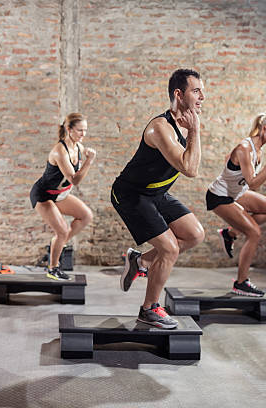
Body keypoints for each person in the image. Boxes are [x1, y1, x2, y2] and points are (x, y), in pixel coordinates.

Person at [111, 68, 206, 329]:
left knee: (195, 235)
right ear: (179, 94)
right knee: (170, 248)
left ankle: (139, 261)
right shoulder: (159, 128)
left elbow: (192, 166)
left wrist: (193, 130)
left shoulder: (185, 125)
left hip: (156, 193)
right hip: (130, 194)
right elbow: (190, 169)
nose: (202, 97)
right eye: (196, 91)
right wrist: (196, 131)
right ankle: (149, 309)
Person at [206, 111, 266, 296]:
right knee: (254, 234)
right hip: (220, 197)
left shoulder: (256, 148)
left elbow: (232, 163)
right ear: (265, 128)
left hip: (236, 193)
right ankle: (241, 283)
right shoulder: (245, 148)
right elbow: (254, 184)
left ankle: (230, 233)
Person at [30, 113, 96, 280]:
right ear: (69, 129)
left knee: (86, 216)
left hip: (60, 195)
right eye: (80, 130)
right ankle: (53, 268)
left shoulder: (79, 148)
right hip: (43, 195)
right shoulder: (60, 151)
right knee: (62, 230)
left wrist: (86, 156)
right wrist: (89, 161)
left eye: (85, 130)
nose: (83, 134)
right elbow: (74, 179)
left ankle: (56, 245)